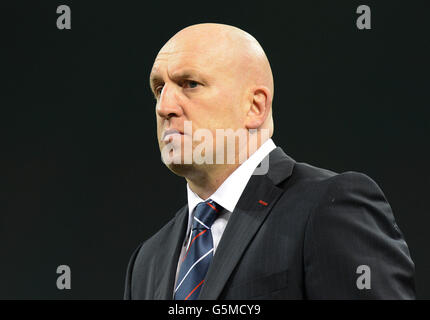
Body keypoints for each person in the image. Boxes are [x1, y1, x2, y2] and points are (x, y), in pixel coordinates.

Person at [124, 23, 415, 299]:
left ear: (255, 106)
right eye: (159, 89)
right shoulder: (148, 260)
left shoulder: (332, 206)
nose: (164, 107)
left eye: (190, 84)